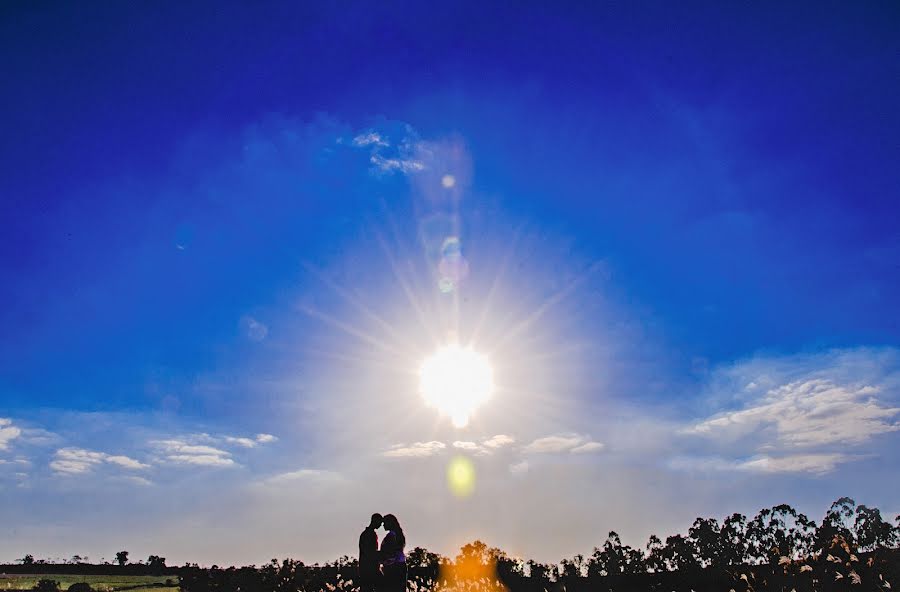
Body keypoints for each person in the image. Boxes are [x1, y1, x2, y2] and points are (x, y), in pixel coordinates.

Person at [380, 514, 407, 592]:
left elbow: (389, 553)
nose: (383, 525)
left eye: (384, 523)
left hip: (393, 568)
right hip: (398, 566)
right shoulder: (397, 534)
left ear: (389, 523)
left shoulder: (391, 536)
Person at [359, 513, 383, 592]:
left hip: (366, 568)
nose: (381, 525)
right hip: (369, 568)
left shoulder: (366, 534)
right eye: (380, 522)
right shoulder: (370, 534)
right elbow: (370, 552)